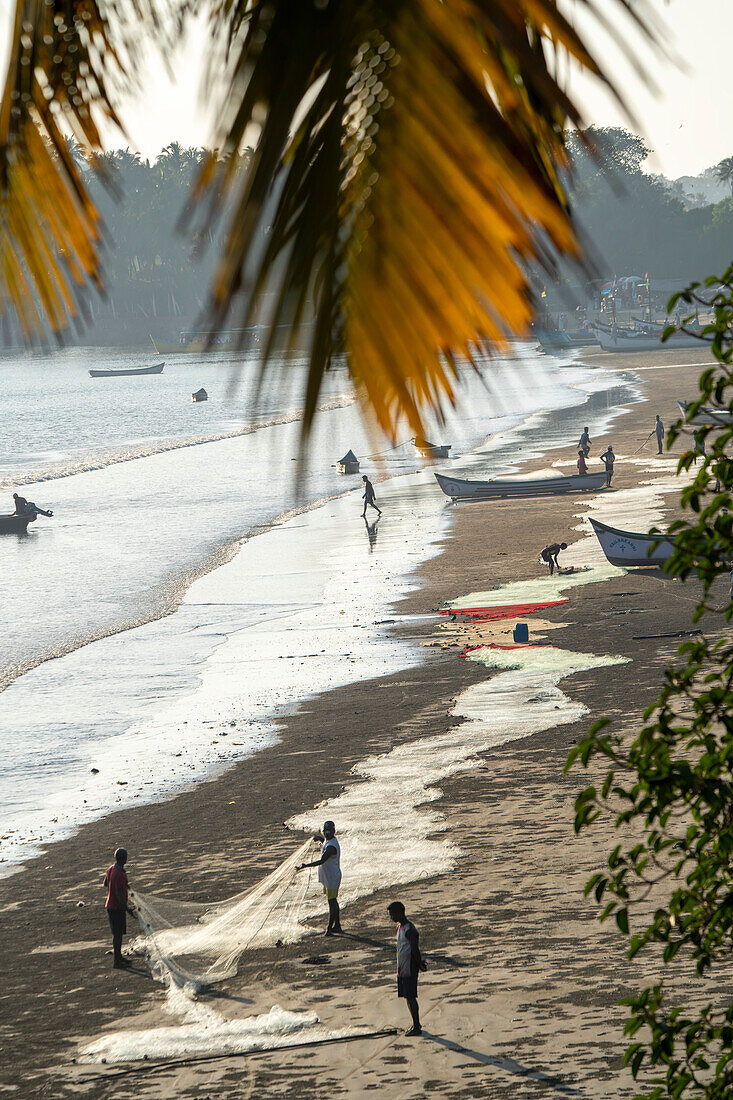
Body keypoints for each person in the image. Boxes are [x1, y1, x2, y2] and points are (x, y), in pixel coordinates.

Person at [388, 901, 427, 1036]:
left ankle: (417, 1026)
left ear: (400, 913)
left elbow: (415, 949)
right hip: (402, 967)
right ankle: (415, 1024)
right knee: (407, 997)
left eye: (392, 914)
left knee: (411, 996)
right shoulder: (400, 927)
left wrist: (420, 963)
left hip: (409, 967)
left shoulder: (410, 930)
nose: (391, 917)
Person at [297, 820, 342, 935]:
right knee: (332, 901)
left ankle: (330, 928)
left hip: (332, 878)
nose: (327, 834)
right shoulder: (329, 840)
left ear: (333, 831)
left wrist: (305, 866)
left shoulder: (332, 847)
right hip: (329, 877)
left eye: (329, 832)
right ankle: (337, 926)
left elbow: (322, 860)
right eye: (325, 832)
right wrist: (320, 840)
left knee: (332, 902)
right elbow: (326, 842)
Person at [104, 847, 135, 969]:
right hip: (116, 907)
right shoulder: (119, 873)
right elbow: (118, 893)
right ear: (124, 859)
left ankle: (119, 957)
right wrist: (126, 908)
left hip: (111, 905)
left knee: (118, 934)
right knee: (117, 935)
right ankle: (117, 961)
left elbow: (106, 883)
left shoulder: (111, 869)